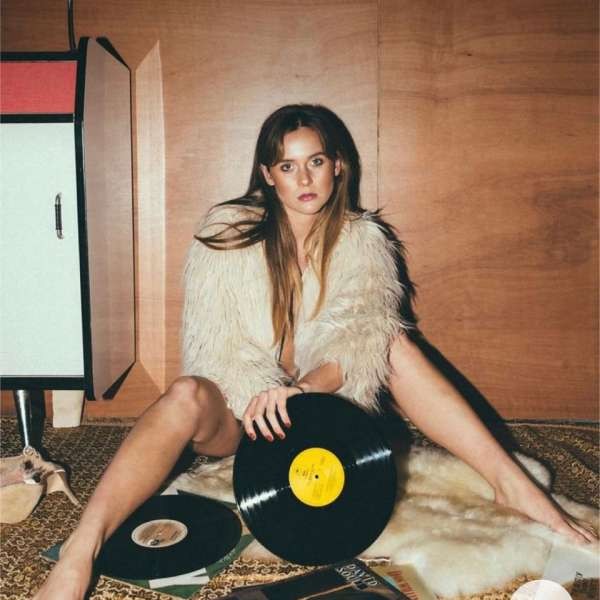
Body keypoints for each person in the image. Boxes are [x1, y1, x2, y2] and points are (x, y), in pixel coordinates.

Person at [33, 104, 597, 600]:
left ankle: (510, 483)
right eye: (287, 166)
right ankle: (82, 549)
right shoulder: (227, 233)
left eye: (316, 161)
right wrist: (262, 396)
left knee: (392, 342)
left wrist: (301, 392)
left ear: (338, 166)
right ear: (267, 175)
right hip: (241, 419)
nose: (304, 178)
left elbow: (361, 338)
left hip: (321, 419)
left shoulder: (363, 242)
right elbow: (215, 349)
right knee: (184, 394)